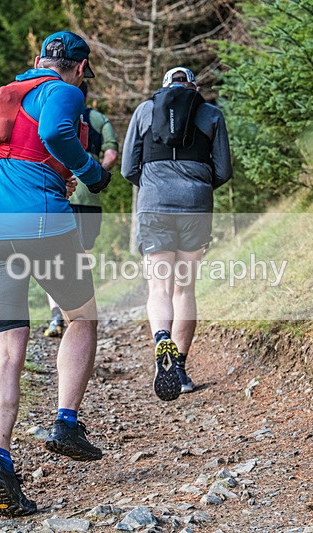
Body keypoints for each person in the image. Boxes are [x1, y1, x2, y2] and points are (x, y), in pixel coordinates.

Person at [0, 30, 111, 516]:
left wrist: (27, 171)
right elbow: (55, 135)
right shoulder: (63, 91)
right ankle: (65, 422)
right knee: (81, 317)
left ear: (38, 57)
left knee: (6, 352)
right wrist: (90, 173)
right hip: (43, 222)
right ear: (80, 68)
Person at [121, 67, 232, 401]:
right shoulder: (211, 114)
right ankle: (180, 369)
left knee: (159, 286)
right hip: (195, 205)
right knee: (184, 289)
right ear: (194, 88)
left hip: (154, 204)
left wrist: (153, 186)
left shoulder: (145, 110)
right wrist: (198, 186)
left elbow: (128, 168)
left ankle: (161, 339)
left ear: (164, 88)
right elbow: (223, 170)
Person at [44, 81, 119, 338]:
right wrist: (96, 173)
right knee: (82, 256)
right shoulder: (97, 119)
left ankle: (56, 314)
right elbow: (111, 154)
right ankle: (79, 313)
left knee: (53, 256)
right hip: (88, 197)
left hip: (58, 192)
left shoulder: (51, 112)